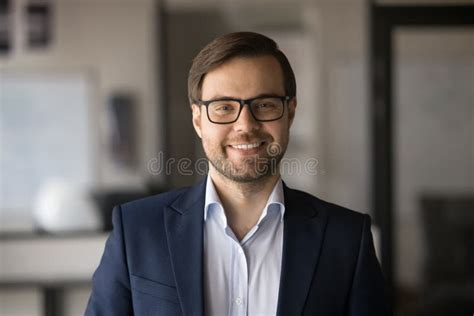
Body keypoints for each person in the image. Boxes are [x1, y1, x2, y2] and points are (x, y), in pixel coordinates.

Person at [85, 32, 390, 316]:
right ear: (198, 119)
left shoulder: (347, 239)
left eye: (265, 104)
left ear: (291, 112)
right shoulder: (137, 230)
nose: (245, 125)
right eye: (223, 107)